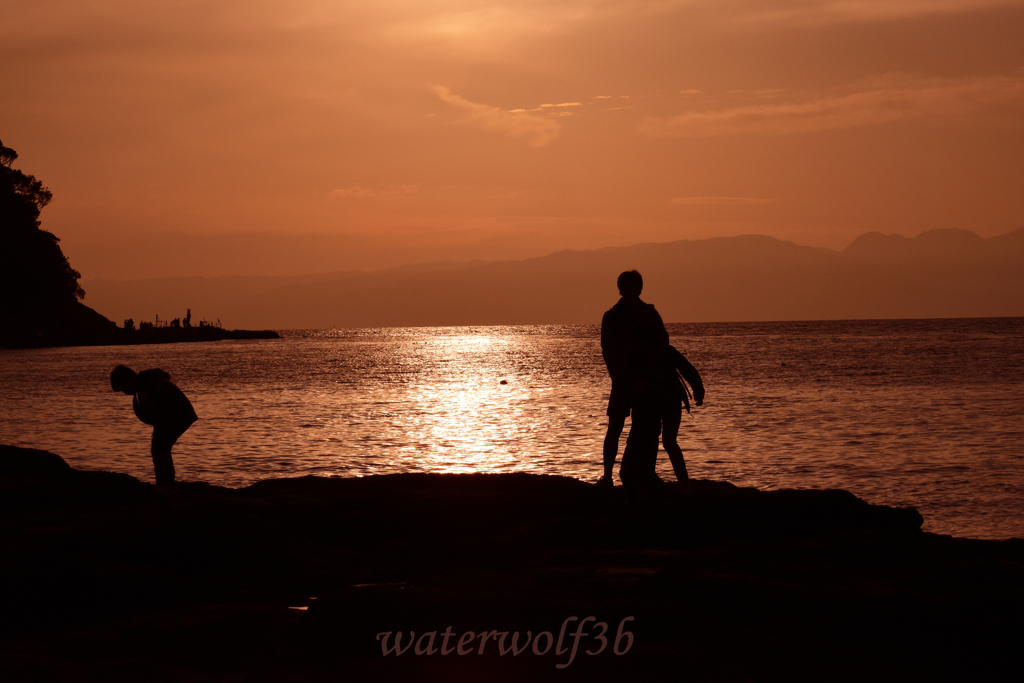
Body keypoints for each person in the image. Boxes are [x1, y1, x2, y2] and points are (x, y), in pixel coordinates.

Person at [110, 365, 197, 485]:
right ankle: (165, 482)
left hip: (179, 415)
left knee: (160, 447)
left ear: (127, 380)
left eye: (123, 389)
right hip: (176, 416)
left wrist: (160, 427)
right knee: (160, 447)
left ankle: (165, 484)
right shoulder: (144, 385)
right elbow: (157, 410)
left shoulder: (148, 384)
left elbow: (164, 406)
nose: (125, 393)